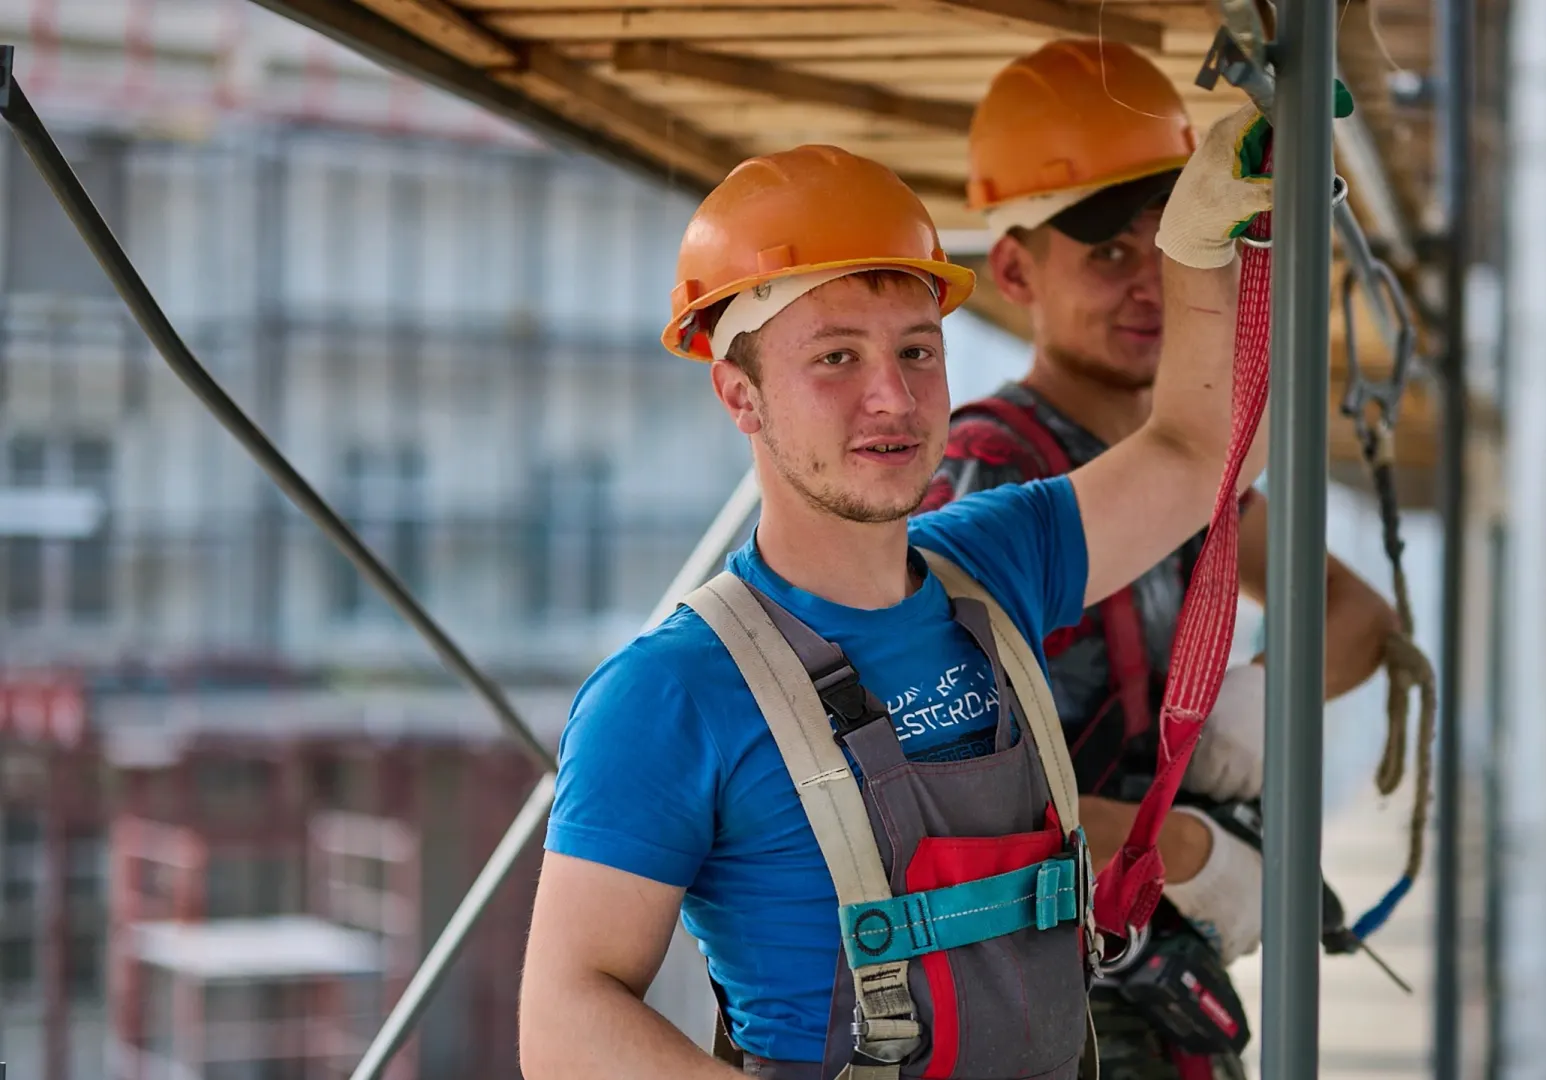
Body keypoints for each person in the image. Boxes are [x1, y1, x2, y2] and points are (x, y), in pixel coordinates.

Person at [518, 102, 1281, 1080]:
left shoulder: (998, 562)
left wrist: (1209, 243)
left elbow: (1199, 450)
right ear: (739, 393)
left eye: (917, 350)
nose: (894, 397)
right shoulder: (671, 694)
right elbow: (565, 1020)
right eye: (836, 357)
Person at [918, 39, 1401, 1080]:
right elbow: (953, 794)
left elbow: (1355, 619)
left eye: (1168, 243)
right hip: (1046, 1018)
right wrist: (1180, 848)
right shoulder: (994, 482)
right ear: (1014, 270)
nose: (1149, 284)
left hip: (1146, 1009)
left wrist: (1236, 724)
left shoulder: (1173, 483)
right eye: (1106, 252)